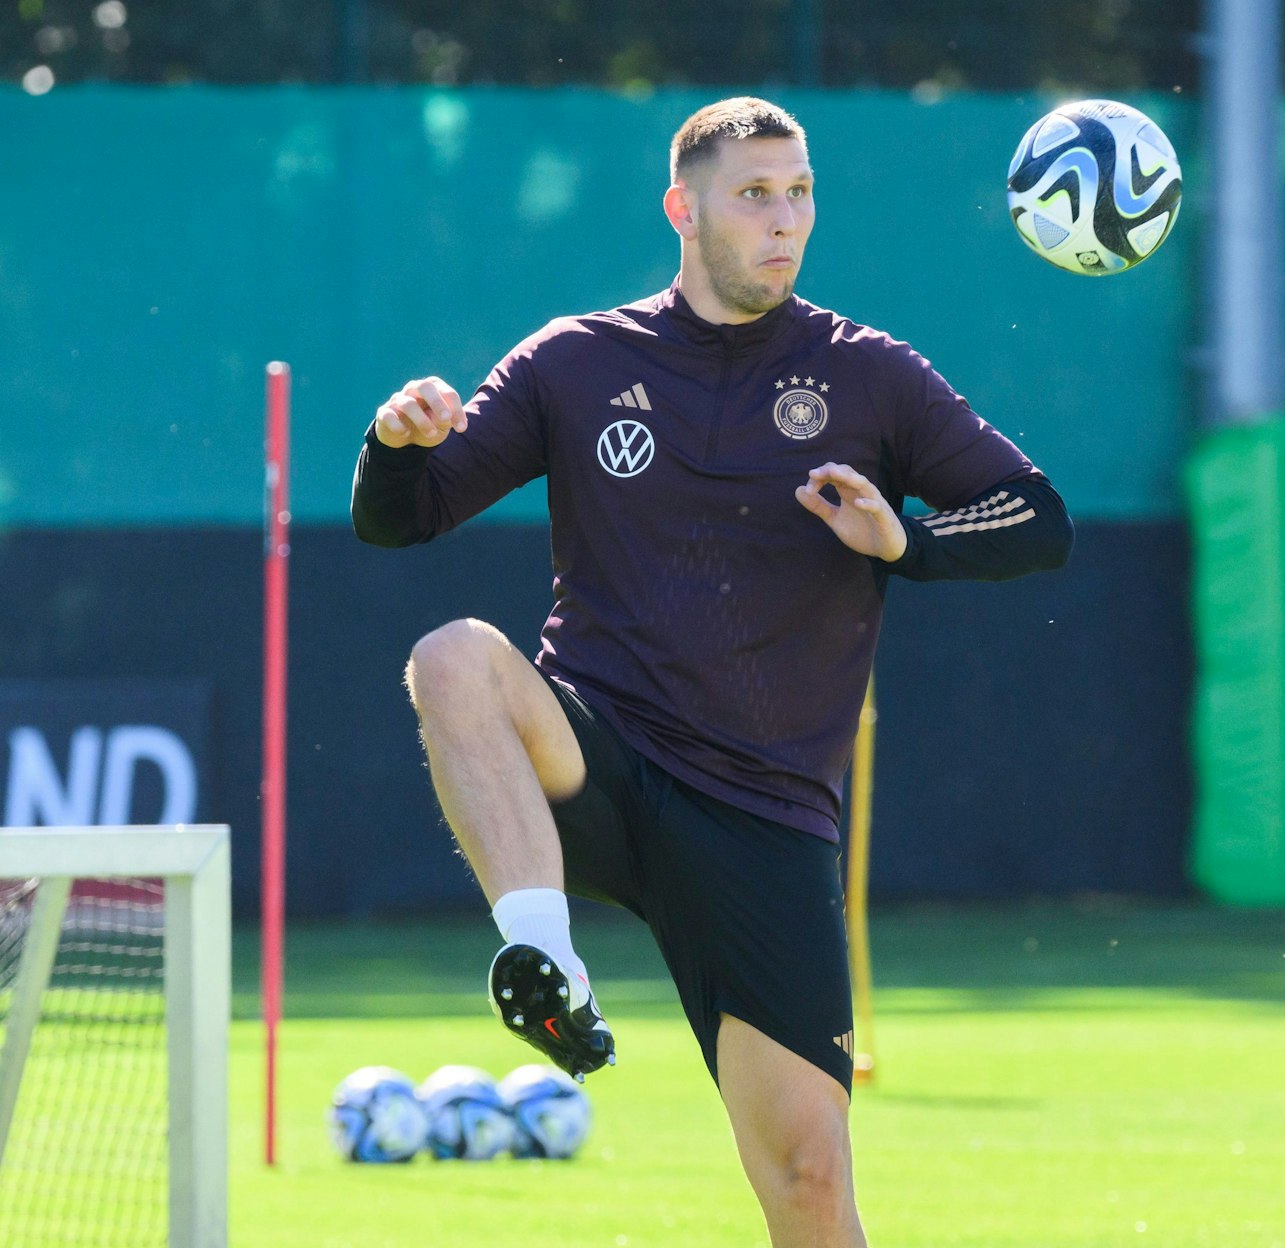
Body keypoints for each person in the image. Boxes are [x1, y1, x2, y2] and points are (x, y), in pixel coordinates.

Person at [351, 96, 1072, 1247]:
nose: (784, 221)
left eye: (799, 194)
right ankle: (544, 960)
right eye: (754, 196)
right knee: (452, 660)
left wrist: (910, 544)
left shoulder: (869, 375)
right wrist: (394, 444)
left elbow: (1037, 518)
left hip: (764, 817)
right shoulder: (573, 362)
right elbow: (405, 520)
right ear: (683, 210)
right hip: (596, 761)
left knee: (808, 1184)